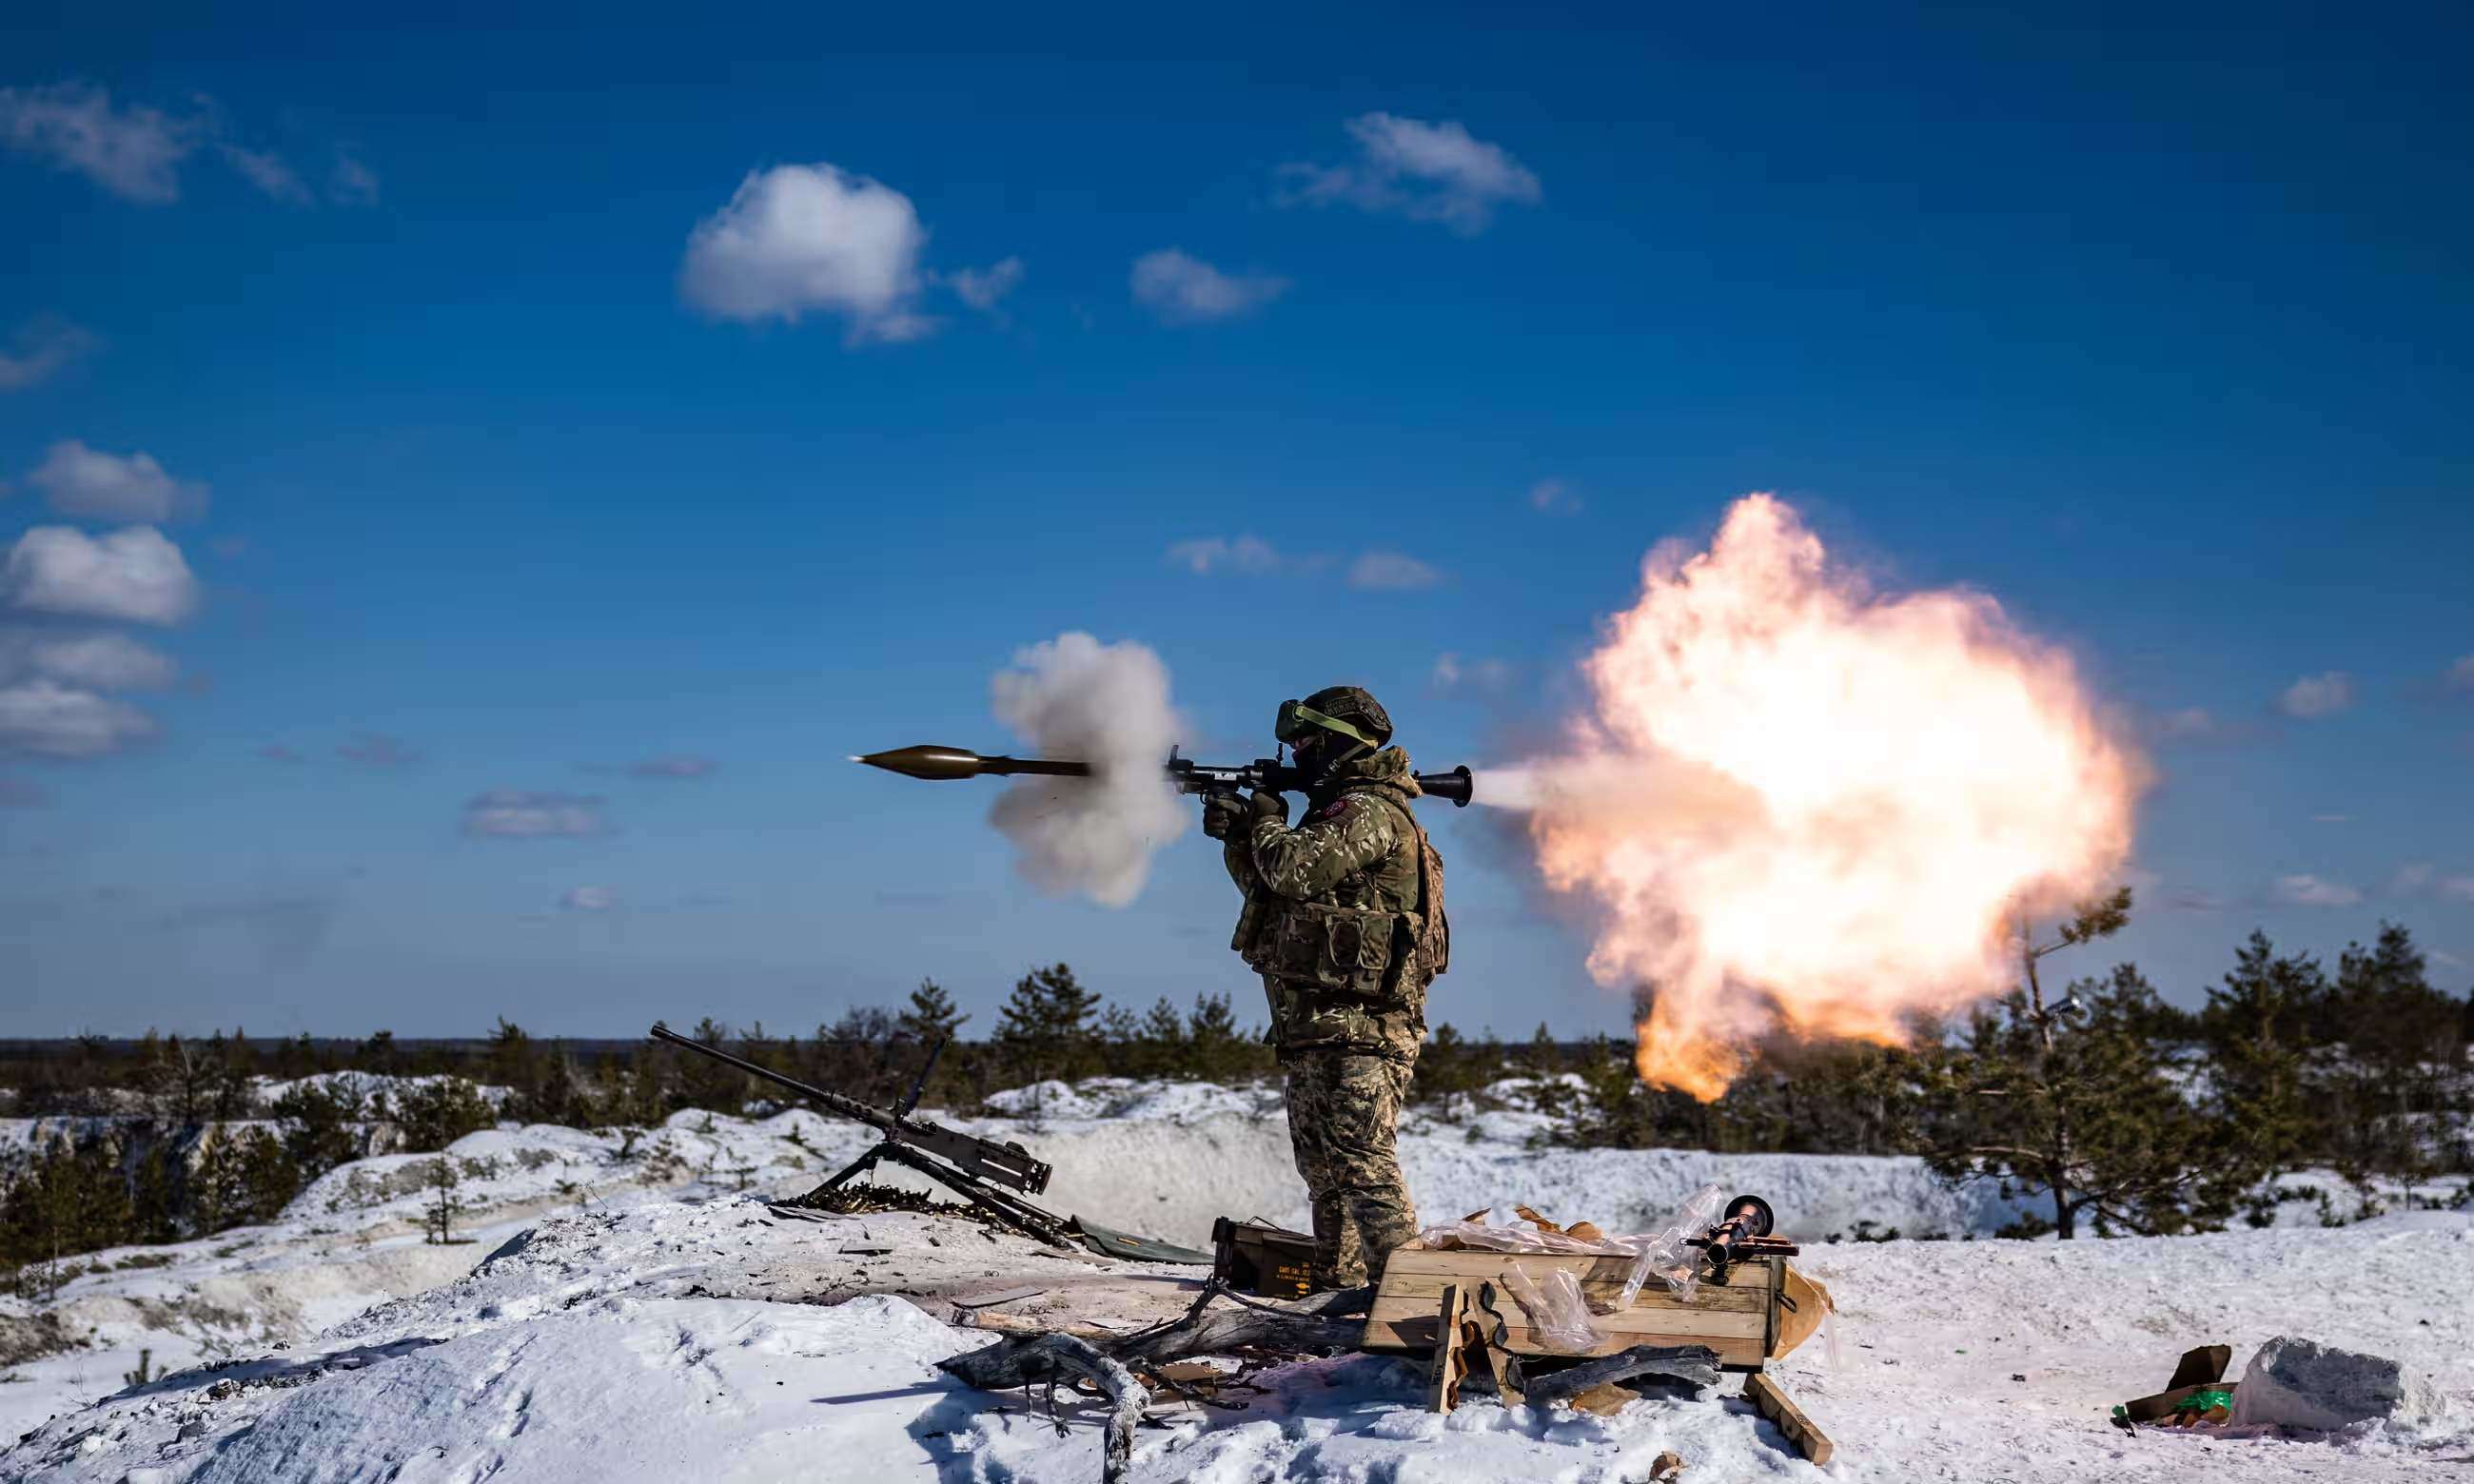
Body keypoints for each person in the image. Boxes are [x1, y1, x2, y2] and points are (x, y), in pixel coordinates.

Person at [1204, 685, 1447, 1289]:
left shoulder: (1366, 811)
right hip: (1320, 1024)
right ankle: (1343, 1287)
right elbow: (1274, 895)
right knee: (1325, 1167)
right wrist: (1240, 836)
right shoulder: (1335, 816)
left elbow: (1290, 868)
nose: (1296, 754)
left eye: (1306, 743)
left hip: (1363, 1027)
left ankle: (1406, 1304)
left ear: (1339, 744)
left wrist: (1264, 817)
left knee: (1363, 1164)